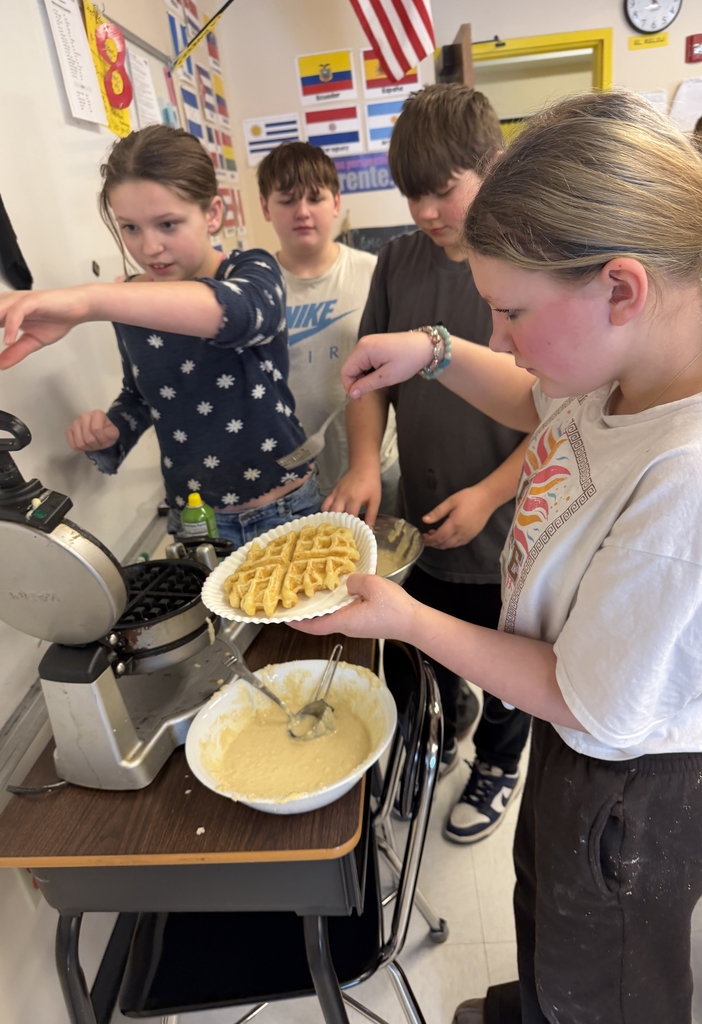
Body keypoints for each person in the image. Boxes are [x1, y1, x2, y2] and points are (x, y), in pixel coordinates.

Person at [289, 90, 702, 1024]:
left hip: (628, 783)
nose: (499, 341)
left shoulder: (685, 478)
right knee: (546, 918)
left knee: (603, 982)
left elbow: (582, 697)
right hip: (576, 739)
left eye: (511, 312)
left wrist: (405, 619)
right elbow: (535, 402)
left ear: (622, 288)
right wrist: (432, 353)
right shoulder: (626, 370)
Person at [324, 84, 531, 844]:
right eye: (412, 195)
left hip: (510, 527)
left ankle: (499, 761)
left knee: (510, 665)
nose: (424, 212)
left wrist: (491, 493)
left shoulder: (528, 261)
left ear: (494, 165)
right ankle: (441, 728)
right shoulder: (399, 261)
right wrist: (363, 464)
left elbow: (559, 409)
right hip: (423, 512)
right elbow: (367, 378)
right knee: (425, 644)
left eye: (442, 191)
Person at [62, 125, 321, 545]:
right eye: (130, 228)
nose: (150, 247)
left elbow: (245, 313)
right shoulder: (129, 301)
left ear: (213, 214)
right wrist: (112, 430)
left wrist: (95, 300)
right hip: (196, 521)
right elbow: (141, 395)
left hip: (284, 508)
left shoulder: (250, 270)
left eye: (167, 224)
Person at [256, 140, 399, 505]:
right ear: (265, 208)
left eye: (315, 198)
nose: (302, 212)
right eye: (287, 200)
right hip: (290, 482)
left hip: (377, 470)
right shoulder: (253, 290)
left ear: (335, 202)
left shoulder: (375, 273)